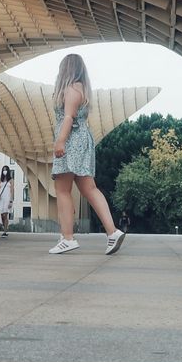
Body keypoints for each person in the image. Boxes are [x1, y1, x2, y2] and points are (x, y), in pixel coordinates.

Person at [48, 54, 126, 255]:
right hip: (82, 140)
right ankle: (112, 232)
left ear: (66, 69)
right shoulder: (81, 88)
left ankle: (67, 238)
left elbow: (68, 118)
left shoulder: (71, 89)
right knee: (89, 188)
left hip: (72, 140)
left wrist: (60, 141)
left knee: (63, 189)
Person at [0, 165, 15, 238]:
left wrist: (11, 200)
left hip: (7, 198)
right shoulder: (0, 179)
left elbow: (12, 190)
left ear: (8, 171)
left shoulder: (11, 180)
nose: (5, 171)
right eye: (3, 169)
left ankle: (5, 231)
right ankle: (5, 228)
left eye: (6, 169)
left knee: (5, 214)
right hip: (1, 199)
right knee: (1, 215)